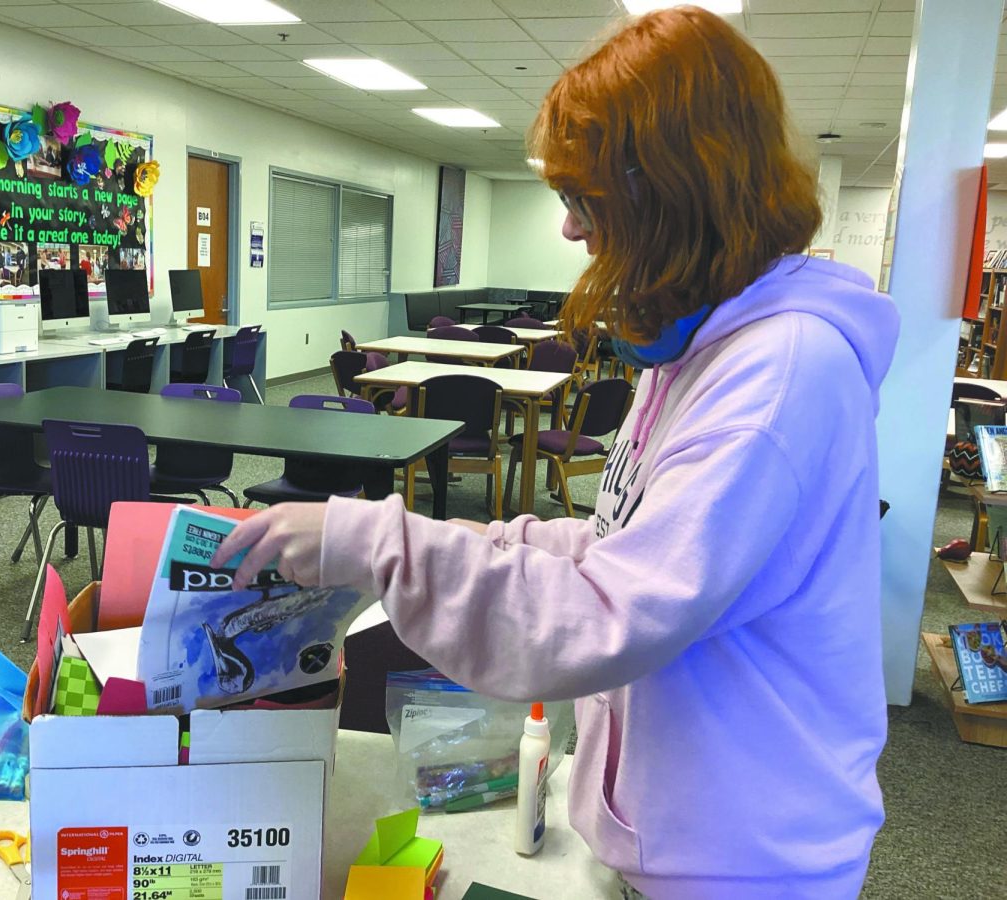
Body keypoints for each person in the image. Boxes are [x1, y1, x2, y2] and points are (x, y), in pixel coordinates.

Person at [216, 8, 899, 900]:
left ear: (669, 191)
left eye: (585, 201)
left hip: (744, 857)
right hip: (685, 828)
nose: (573, 232)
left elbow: (615, 607)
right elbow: (617, 544)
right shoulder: (704, 348)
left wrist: (382, 549)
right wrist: (429, 538)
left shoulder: (778, 375)